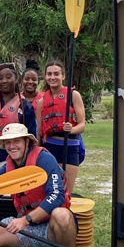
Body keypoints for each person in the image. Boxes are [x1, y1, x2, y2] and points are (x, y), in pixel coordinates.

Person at [36, 61, 86, 193]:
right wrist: (35, 152)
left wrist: (72, 129)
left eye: (56, 74)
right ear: (45, 77)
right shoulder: (41, 102)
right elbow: (39, 131)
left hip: (69, 148)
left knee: (66, 191)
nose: (53, 77)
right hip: (49, 148)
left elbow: (82, 125)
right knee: (49, 190)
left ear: (63, 76)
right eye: (49, 74)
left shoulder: (73, 95)